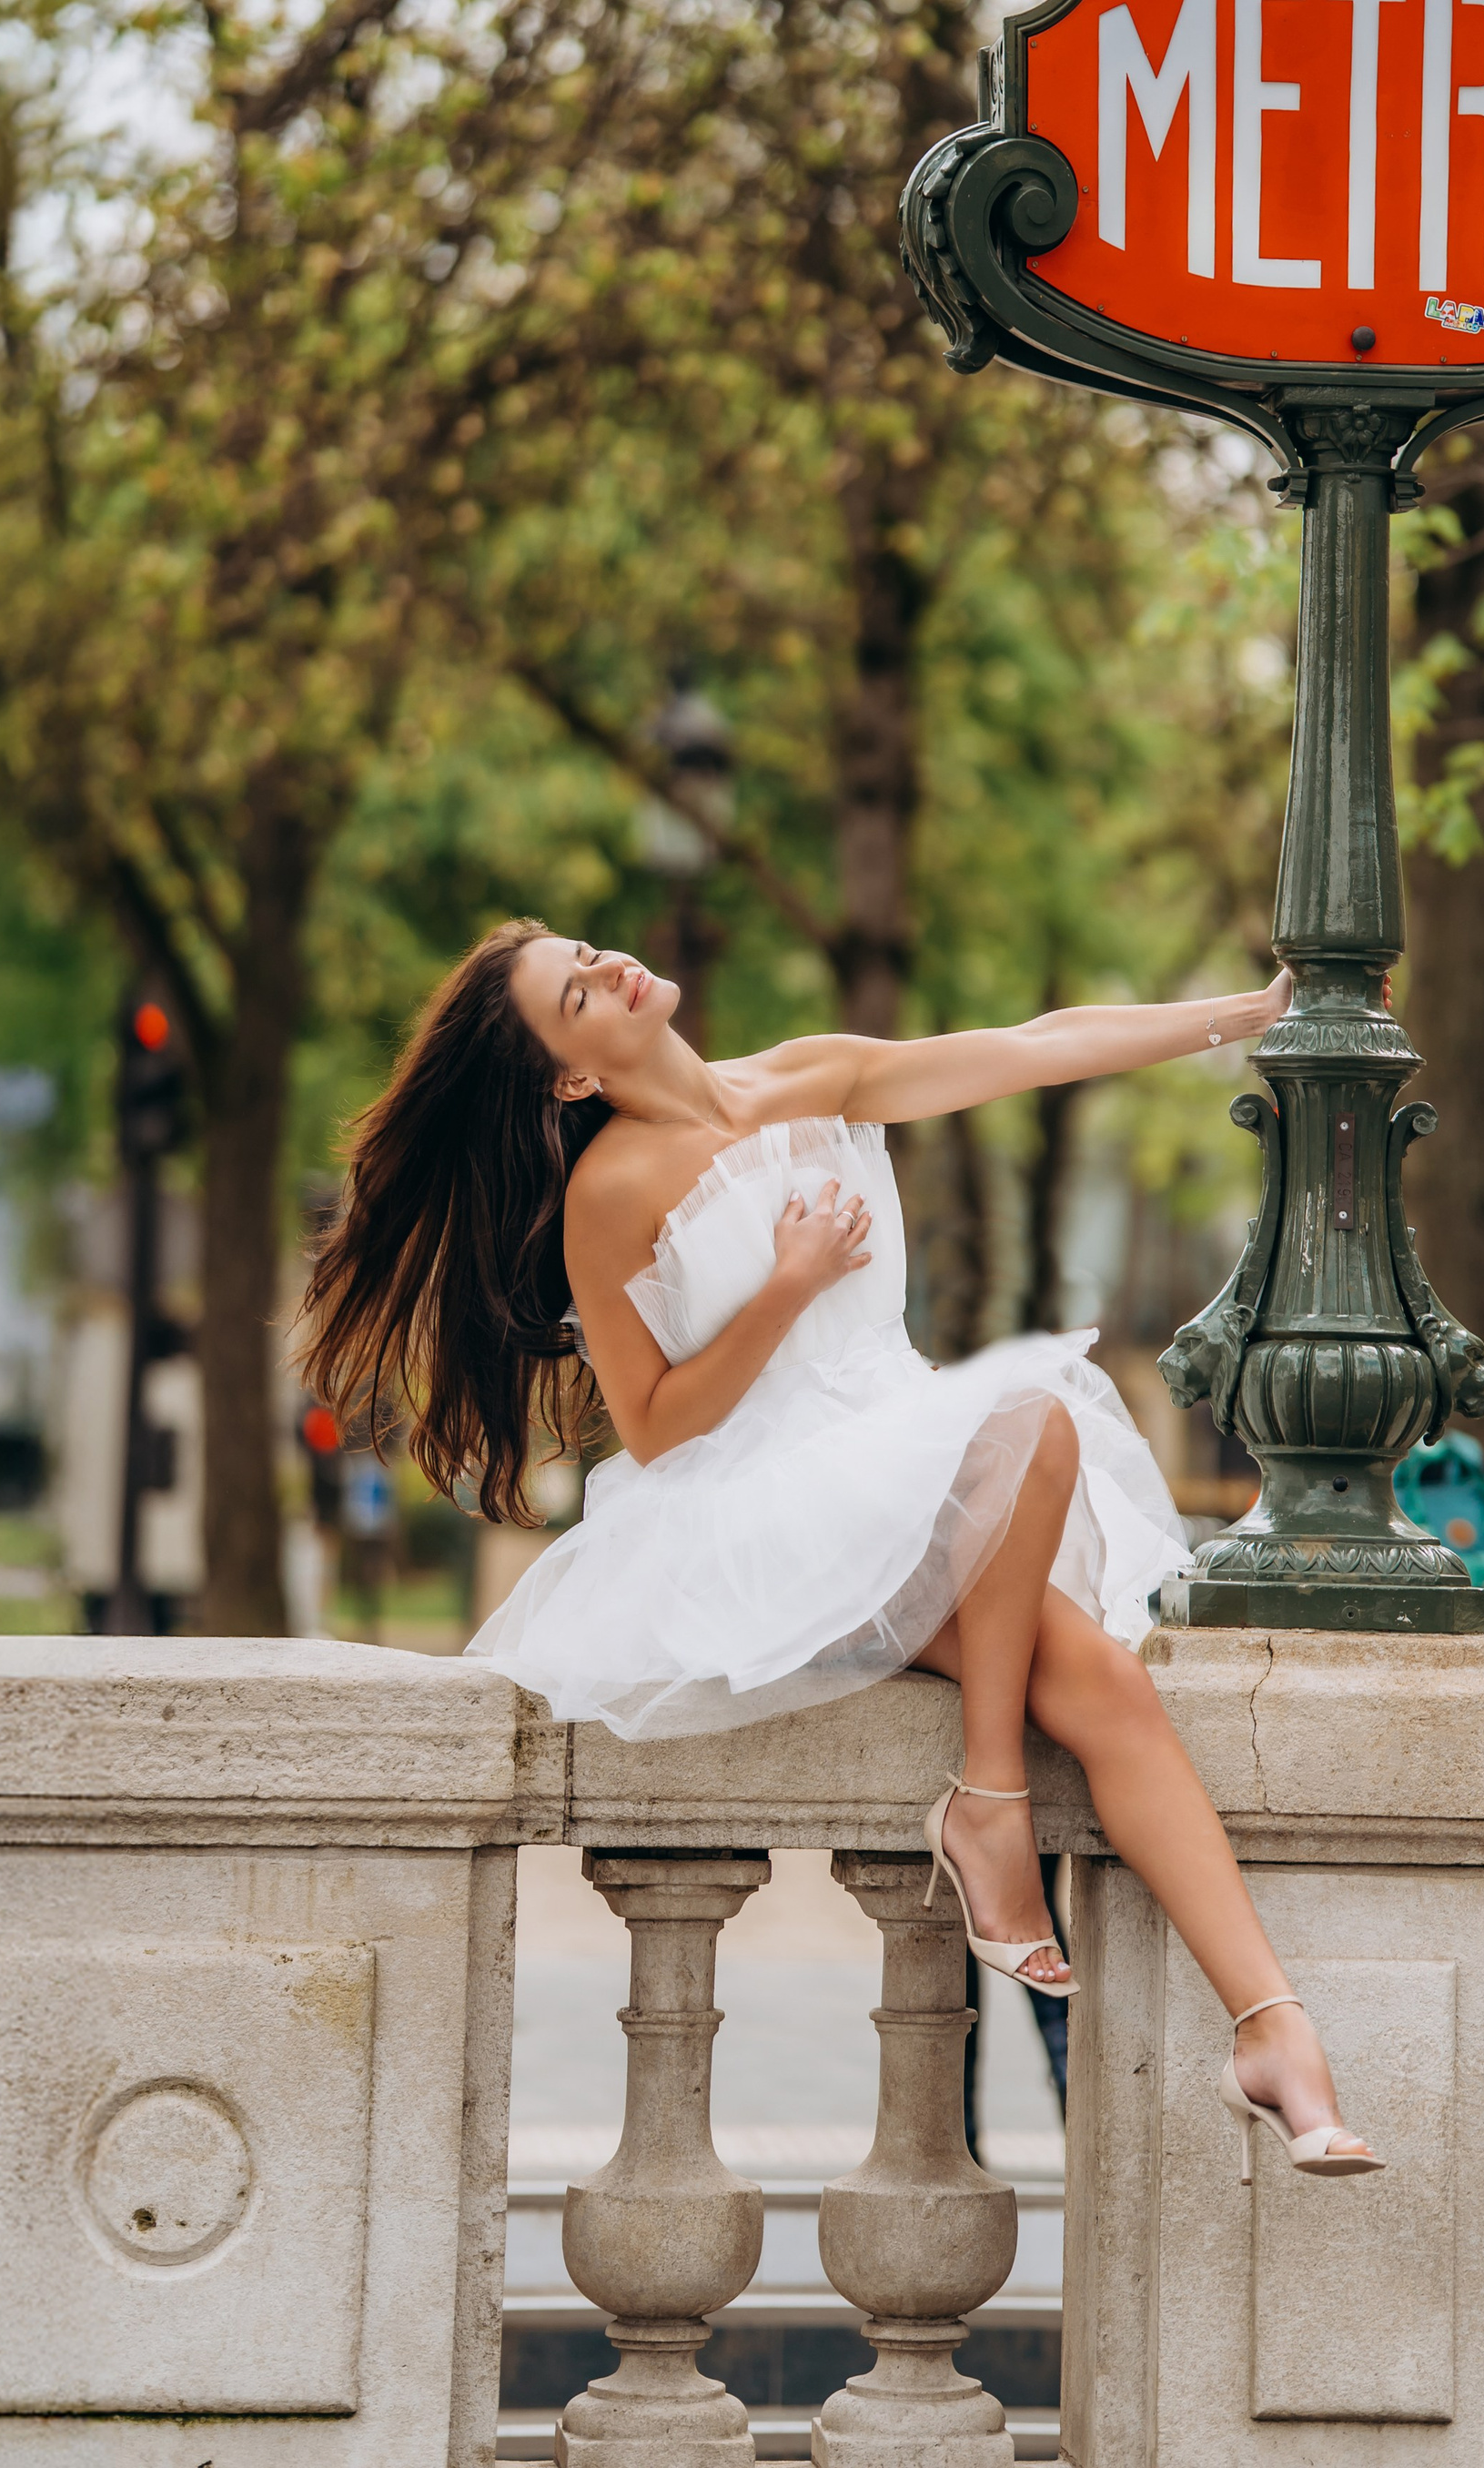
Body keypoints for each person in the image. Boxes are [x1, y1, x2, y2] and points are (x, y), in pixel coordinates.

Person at [299, 918, 1378, 2180]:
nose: (612, 967)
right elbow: (650, 1420)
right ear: (572, 1076)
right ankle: (994, 1806)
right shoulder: (614, 1188)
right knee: (1029, 1420)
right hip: (772, 1507)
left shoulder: (804, 1075)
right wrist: (783, 1289)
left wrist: (1246, 1017)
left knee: (1103, 1683)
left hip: (900, 1456)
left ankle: (1271, 2031)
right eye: (579, 991)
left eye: (591, 951)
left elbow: (1031, 1047)